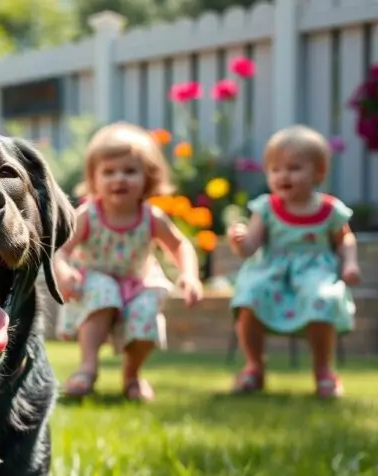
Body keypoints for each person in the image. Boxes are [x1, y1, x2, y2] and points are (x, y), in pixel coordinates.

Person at [53, 122, 203, 401]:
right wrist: (62, 272)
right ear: (93, 178)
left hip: (137, 283)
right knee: (104, 289)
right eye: (108, 172)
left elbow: (180, 245)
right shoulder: (89, 215)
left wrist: (189, 275)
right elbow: (61, 250)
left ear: (148, 177)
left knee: (147, 312)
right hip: (94, 282)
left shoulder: (151, 217)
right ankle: (88, 367)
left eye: (129, 171)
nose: (118, 179)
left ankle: (132, 376)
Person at [227, 124, 359, 398]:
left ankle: (324, 371)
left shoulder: (329, 210)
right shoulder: (265, 208)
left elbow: (344, 239)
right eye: (275, 169)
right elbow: (251, 247)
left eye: (294, 168)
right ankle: (254, 367)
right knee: (249, 297)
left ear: (318, 173)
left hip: (315, 273)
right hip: (271, 273)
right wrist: (239, 242)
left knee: (324, 298)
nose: (283, 175)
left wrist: (350, 263)